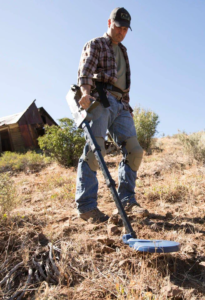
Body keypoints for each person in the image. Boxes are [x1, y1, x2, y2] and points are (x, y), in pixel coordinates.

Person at [75, 7, 144, 223]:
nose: (121, 32)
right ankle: (87, 207)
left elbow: (124, 85)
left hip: (121, 105)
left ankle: (127, 201)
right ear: (109, 23)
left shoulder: (123, 51)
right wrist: (86, 94)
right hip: (100, 99)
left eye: (125, 29)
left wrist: (127, 108)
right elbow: (85, 71)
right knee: (95, 151)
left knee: (135, 151)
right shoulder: (96, 44)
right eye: (118, 27)